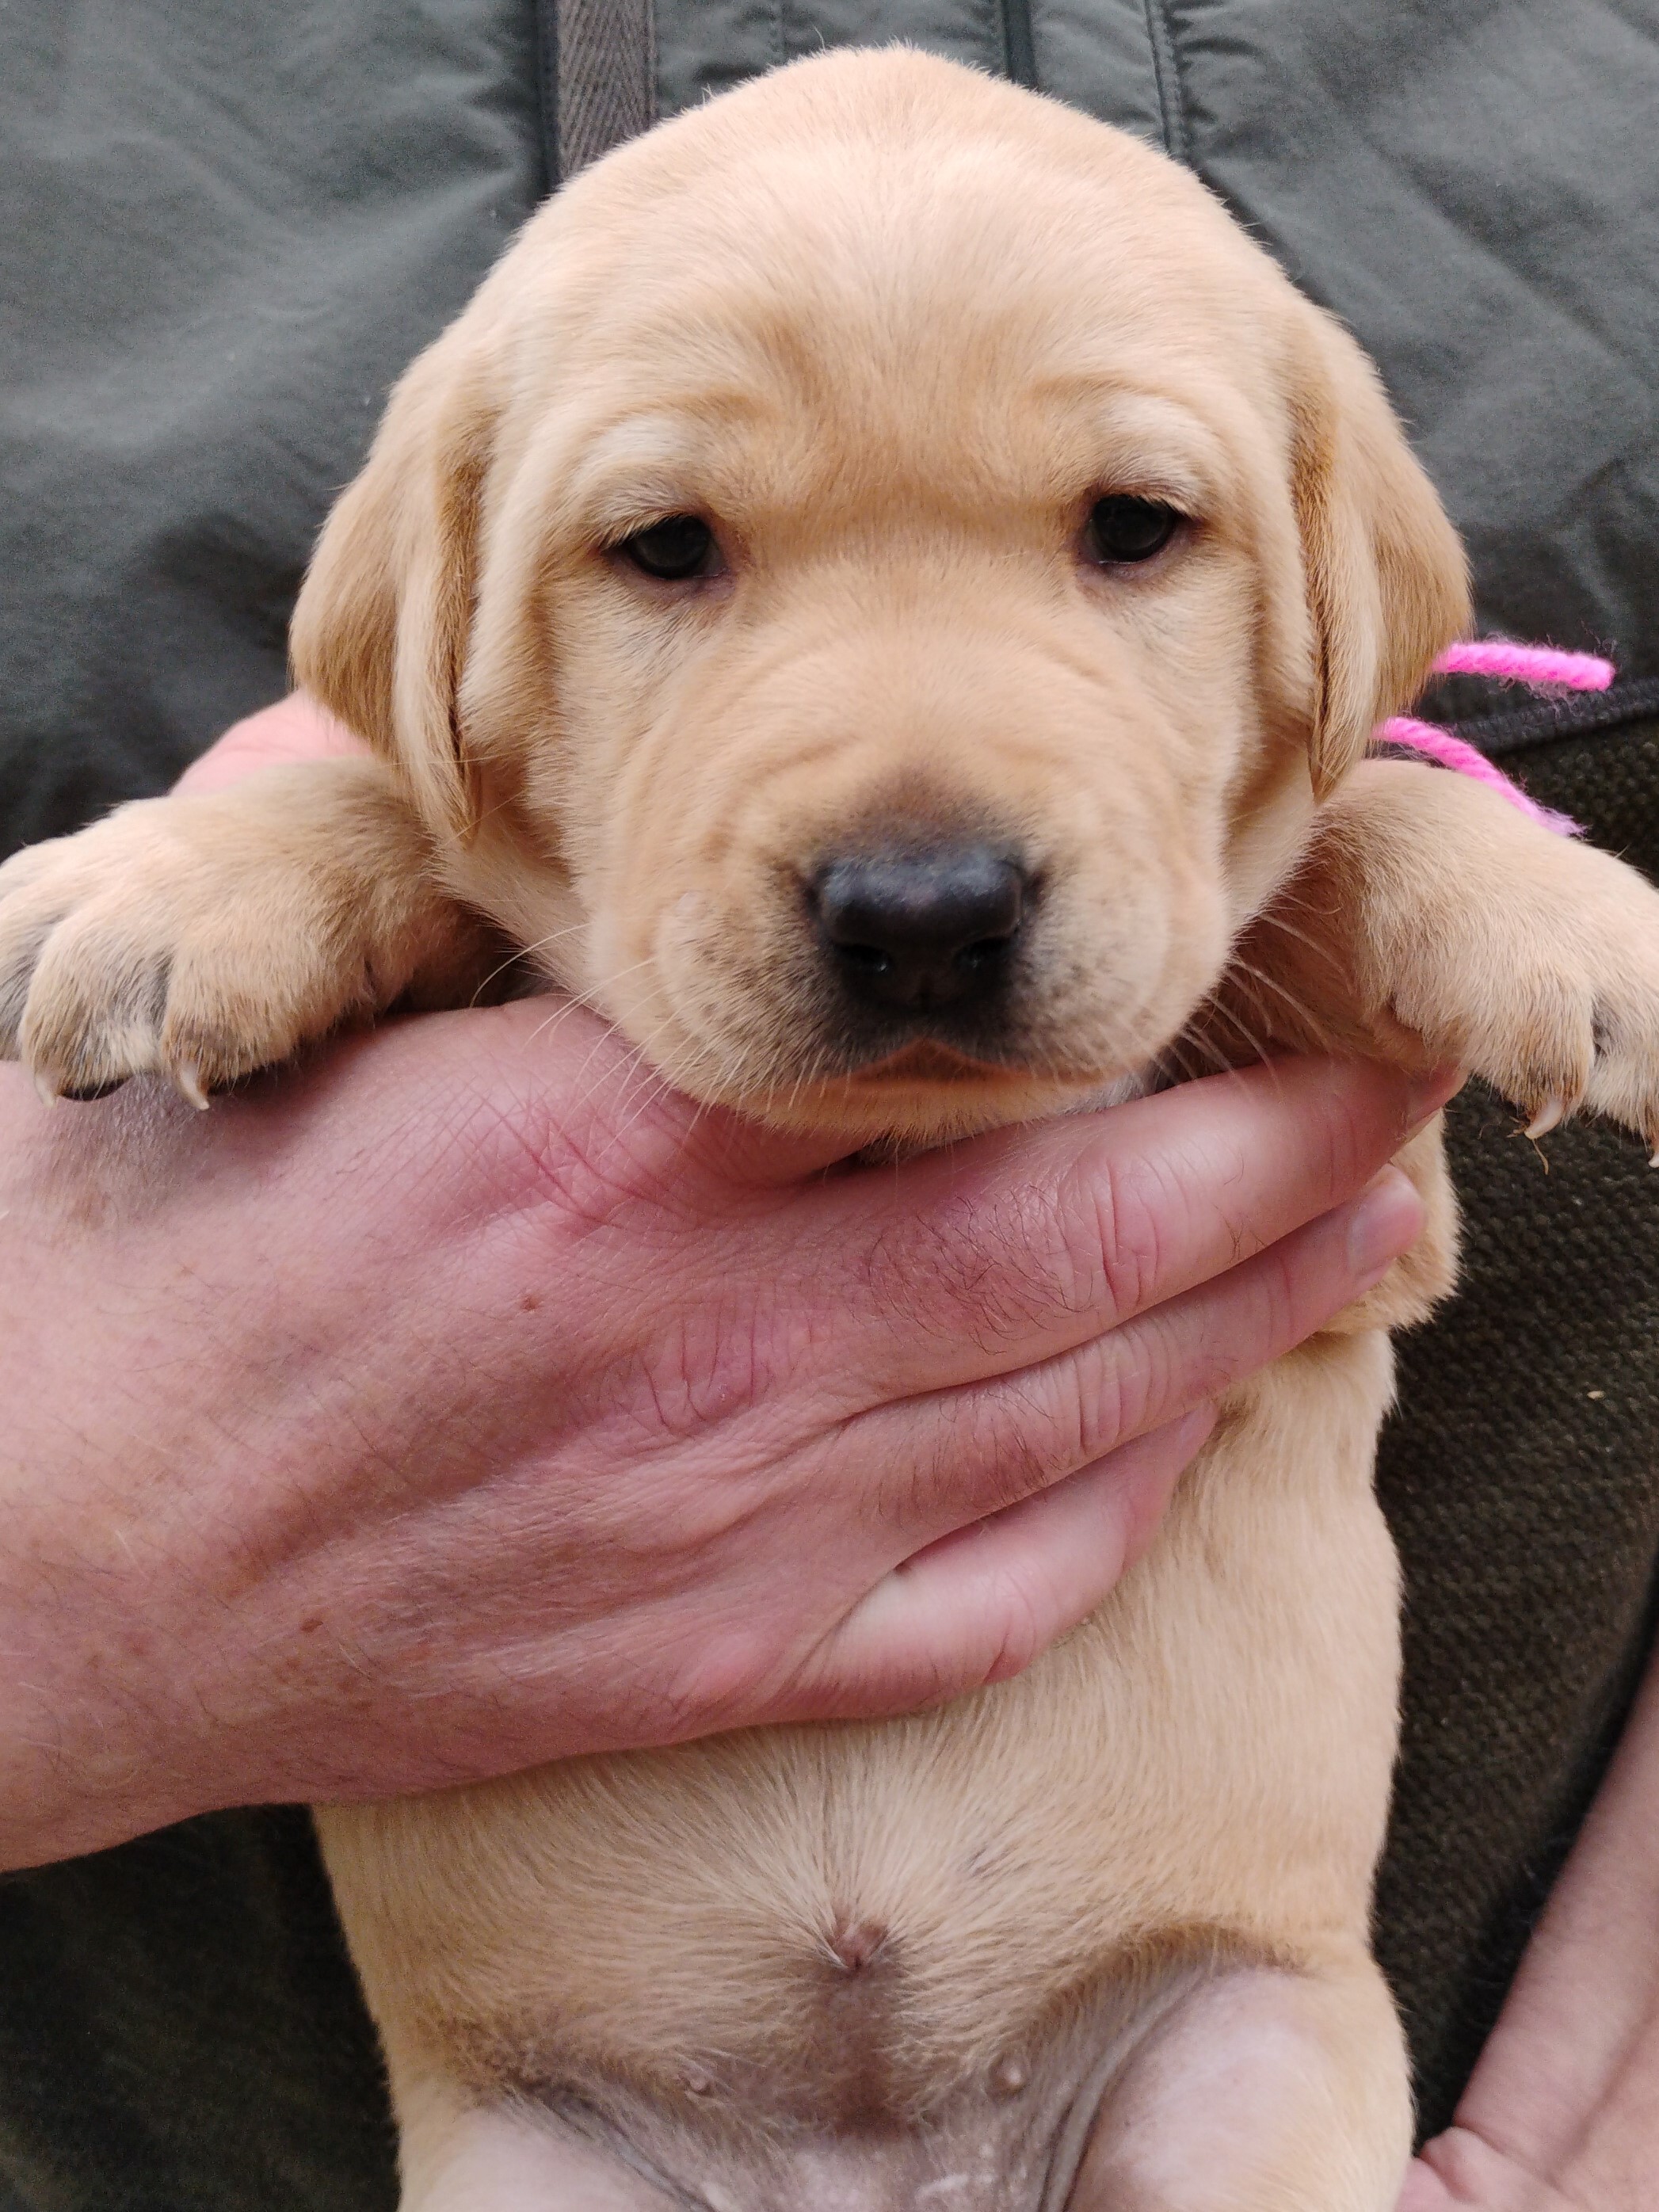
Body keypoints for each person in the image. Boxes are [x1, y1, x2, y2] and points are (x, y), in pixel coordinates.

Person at [2, 6, 1656, 2208]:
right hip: (552, 2094)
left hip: (1207, 2022)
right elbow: (406, 825)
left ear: (1336, 594)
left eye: (1131, 524)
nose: (923, 860)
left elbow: (1354, 855)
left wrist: (1460, 871)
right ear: (444, 625)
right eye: (672, 548)